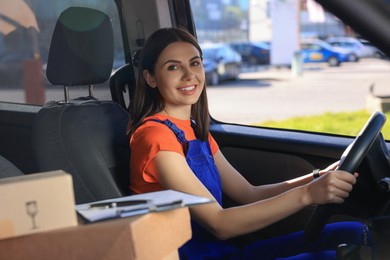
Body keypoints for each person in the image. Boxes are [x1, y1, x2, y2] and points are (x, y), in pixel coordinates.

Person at [128, 27, 374, 259]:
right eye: (173, 67)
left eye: (195, 63)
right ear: (151, 78)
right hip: (194, 256)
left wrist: (317, 177)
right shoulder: (154, 136)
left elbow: (249, 193)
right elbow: (219, 223)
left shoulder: (193, 129)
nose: (189, 75)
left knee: (352, 234)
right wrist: (309, 194)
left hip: (224, 252)